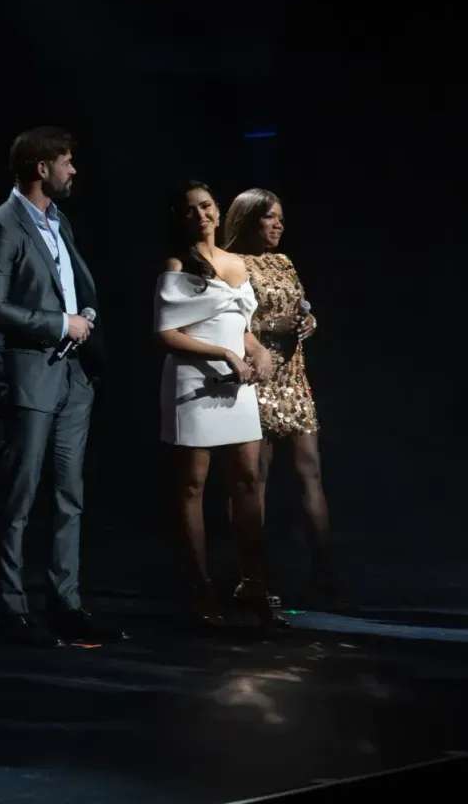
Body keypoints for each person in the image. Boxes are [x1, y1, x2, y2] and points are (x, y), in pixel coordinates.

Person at [0, 128, 124, 647]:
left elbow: (68, 286)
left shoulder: (60, 224)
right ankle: (12, 612)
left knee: (68, 496)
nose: (73, 170)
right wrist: (60, 323)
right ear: (41, 168)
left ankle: (66, 605)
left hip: (72, 379)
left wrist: (84, 315)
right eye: (67, 161)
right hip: (27, 379)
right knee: (17, 499)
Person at [156, 181, 284, 628]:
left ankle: (254, 581)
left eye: (207, 206)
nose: (202, 216)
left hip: (237, 385)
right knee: (193, 485)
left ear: (218, 209)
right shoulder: (177, 262)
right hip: (194, 381)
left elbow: (239, 323)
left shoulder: (236, 262)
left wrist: (256, 349)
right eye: (191, 210)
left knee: (248, 480)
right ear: (180, 217)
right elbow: (168, 333)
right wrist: (225, 354)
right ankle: (201, 585)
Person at [222, 188, 339, 603]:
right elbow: (229, 320)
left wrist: (309, 319)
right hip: (258, 375)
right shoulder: (233, 264)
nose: (278, 225)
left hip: (293, 376)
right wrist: (272, 324)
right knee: (254, 479)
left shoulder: (283, 262)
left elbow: (299, 305)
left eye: (281, 219)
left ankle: (326, 574)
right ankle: (254, 577)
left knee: (311, 471)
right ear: (249, 219)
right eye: (270, 217)